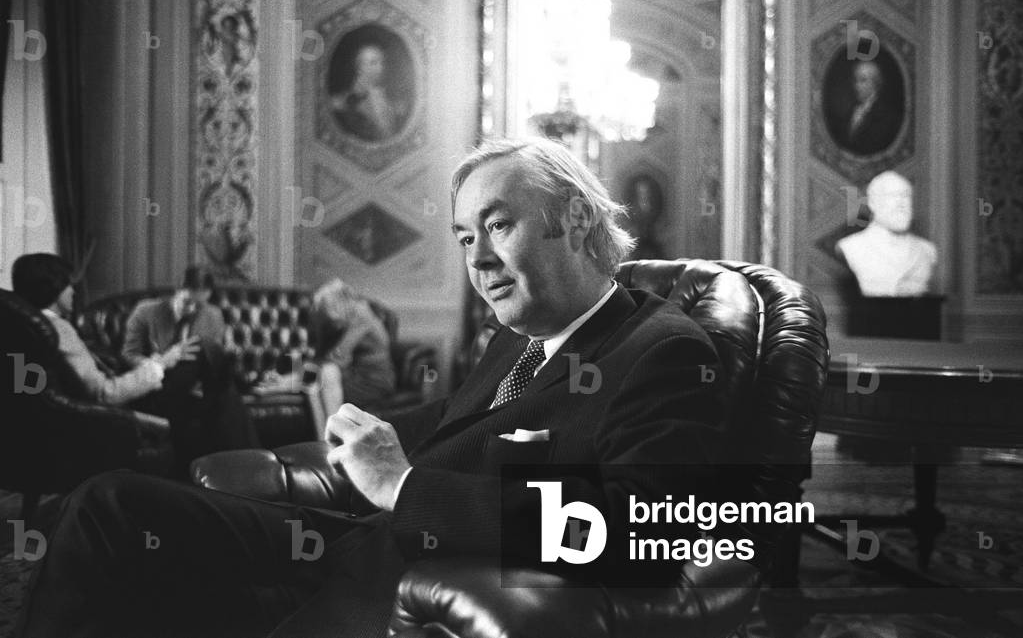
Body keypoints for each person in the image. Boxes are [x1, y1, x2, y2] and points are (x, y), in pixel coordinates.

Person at [17, 138, 725, 638]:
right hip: (353, 546)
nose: (475, 259)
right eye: (461, 237)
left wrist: (404, 488)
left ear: (572, 218)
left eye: (497, 224)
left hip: (412, 589)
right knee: (112, 505)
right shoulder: (518, 334)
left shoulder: (660, 351)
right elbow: (454, 420)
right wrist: (356, 432)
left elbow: (635, 529)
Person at [122, 265, 258, 463]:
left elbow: (213, 369)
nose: (193, 309)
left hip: (197, 391)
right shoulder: (146, 311)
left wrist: (228, 352)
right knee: (203, 346)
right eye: (187, 302)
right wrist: (161, 361)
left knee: (225, 397)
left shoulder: (213, 315)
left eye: (199, 305)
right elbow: (128, 355)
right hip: (159, 384)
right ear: (177, 291)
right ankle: (255, 462)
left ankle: (246, 465)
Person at [10, 253, 174, 405]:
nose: (73, 292)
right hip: (100, 420)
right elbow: (104, 393)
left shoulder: (20, 323)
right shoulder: (58, 329)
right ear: (55, 289)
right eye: (68, 285)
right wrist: (159, 366)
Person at [254, 278, 397, 438]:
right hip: (353, 375)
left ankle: (334, 437)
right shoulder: (345, 318)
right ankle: (323, 442)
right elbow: (322, 357)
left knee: (328, 372)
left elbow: (338, 359)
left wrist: (292, 379)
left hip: (373, 381)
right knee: (314, 382)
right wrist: (291, 376)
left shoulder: (361, 315)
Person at [836, 170, 937, 296]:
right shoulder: (851, 247)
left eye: (906, 196)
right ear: (873, 203)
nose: (901, 204)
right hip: (873, 312)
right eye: (892, 196)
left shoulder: (927, 250)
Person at [331, 44, 406, 141]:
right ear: (359, 68)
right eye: (373, 63)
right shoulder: (341, 103)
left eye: (382, 63)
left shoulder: (391, 100)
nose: (381, 68)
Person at [834, 60, 901, 156]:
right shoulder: (850, 112)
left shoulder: (888, 117)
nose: (857, 86)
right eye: (855, 80)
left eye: (863, 80)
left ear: (875, 83)